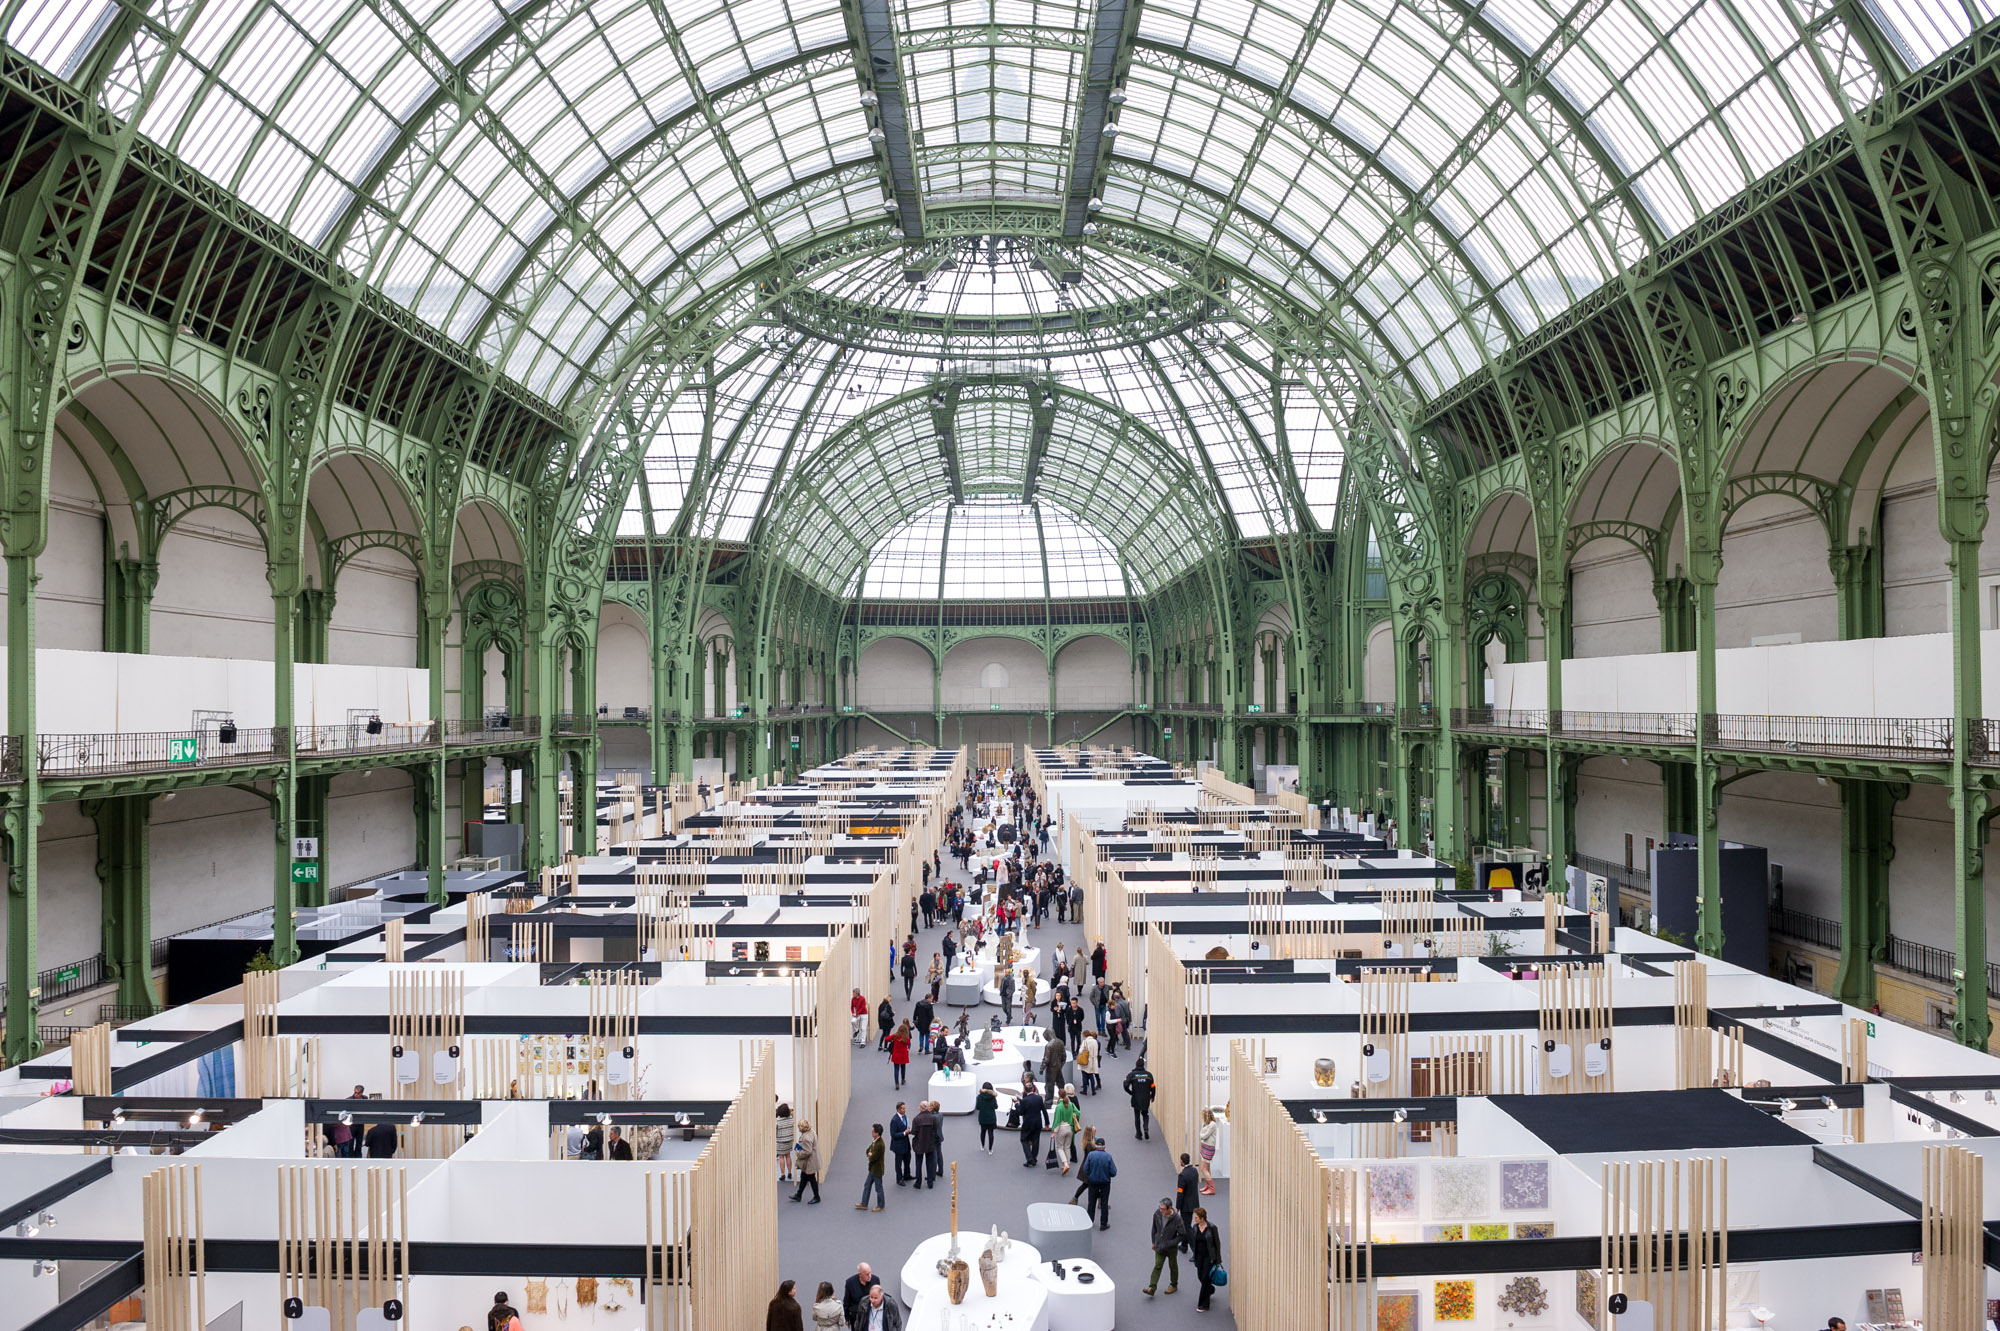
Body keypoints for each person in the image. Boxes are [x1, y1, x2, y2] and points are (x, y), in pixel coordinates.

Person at [1145, 1197, 1185, 1296]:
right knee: (1157, 1266)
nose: (1160, 1210)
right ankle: (1152, 1287)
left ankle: (1173, 1285)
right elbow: (1154, 1228)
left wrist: (1171, 1243)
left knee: (1173, 1266)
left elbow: (1182, 1235)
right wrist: (1153, 1242)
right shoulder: (1157, 1214)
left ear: (1169, 1208)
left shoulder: (1177, 1219)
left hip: (1171, 1248)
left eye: (1163, 1209)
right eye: (1160, 1208)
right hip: (1159, 1246)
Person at [1189, 1206, 1223, 1311]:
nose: (1195, 1219)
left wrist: (1217, 1260)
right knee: (1200, 1276)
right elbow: (1195, 1243)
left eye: (1196, 1217)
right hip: (1199, 1257)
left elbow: (1217, 1244)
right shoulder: (1195, 1227)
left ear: (1202, 1218)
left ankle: (1203, 1304)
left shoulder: (1212, 1228)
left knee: (1205, 1278)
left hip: (1209, 1257)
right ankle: (1210, 1289)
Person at [1079, 1137, 1117, 1230]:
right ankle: (1103, 1224)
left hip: (1093, 1182)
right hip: (1105, 1183)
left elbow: (1086, 1168)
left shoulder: (1091, 1155)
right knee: (1104, 1203)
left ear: (1096, 1146)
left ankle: (1089, 1221)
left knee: (1091, 1202)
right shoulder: (1108, 1157)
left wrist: (1091, 1174)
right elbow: (1113, 1172)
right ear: (1104, 1146)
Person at [911, 1100, 943, 1188]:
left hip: (919, 1145)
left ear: (921, 1108)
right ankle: (930, 1182)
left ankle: (918, 1183)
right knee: (930, 1164)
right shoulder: (933, 1118)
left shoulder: (916, 1119)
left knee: (918, 1164)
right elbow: (935, 1130)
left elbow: (914, 1132)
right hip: (930, 1144)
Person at [789, 1119, 821, 1203]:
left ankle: (817, 1197)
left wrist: (798, 1152)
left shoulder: (806, 1138)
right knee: (804, 1177)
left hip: (810, 1162)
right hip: (812, 1160)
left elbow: (808, 1151)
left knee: (811, 1179)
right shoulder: (811, 1131)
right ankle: (799, 1195)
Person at [1016, 1083, 1047, 1168]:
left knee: (1023, 1139)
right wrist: (1047, 1122)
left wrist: (1017, 1105)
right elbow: (1044, 1111)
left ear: (1025, 1090)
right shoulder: (1039, 1098)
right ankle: (1034, 1158)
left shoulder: (1024, 1100)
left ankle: (1029, 1158)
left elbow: (1020, 1112)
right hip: (1037, 1123)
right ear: (1033, 1089)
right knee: (1036, 1140)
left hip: (1028, 1124)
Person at [856, 1123, 886, 1212]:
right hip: (872, 1169)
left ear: (877, 1133)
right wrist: (869, 1153)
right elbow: (867, 1150)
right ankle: (864, 1203)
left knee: (878, 1188)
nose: (871, 1132)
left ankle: (881, 1205)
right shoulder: (875, 1141)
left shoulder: (880, 1145)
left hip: (877, 1170)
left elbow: (872, 1157)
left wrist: (870, 1154)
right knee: (867, 1185)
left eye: (873, 1131)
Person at [1124, 1058, 1157, 1139]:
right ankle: (1146, 1128)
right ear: (1143, 1065)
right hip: (1146, 1098)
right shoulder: (1149, 1075)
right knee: (1145, 1114)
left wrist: (1130, 1092)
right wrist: (1153, 1096)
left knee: (1137, 1116)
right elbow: (1153, 1086)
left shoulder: (1132, 1075)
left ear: (1136, 1065)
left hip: (1136, 1098)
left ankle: (1139, 1134)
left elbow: (1125, 1085)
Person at [1052, 1085, 1080, 1174]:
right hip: (1070, 1128)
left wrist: (1054, 1132)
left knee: (1059, 1147)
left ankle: (1065, 1164)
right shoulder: (1071, 1104)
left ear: (1059, 1095)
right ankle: (1067, 1163)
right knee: (1067, 1147)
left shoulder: (1059, 1107)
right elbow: (1078, 1113)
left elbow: (1057, 1121)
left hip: (1062, 1129)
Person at [1175, 1152, 1200, 1245]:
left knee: (1187, 1227)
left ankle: (1194, 1250)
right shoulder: (1194, 1171)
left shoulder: (1182, 1175)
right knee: (1186, 1224)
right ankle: (1184, 1246)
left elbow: (1180, 1192)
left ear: (1181, 1161)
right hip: (1194, 1203)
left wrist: (1178, 1206)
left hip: (1186, 1205)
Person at [889, 1102, 912, 1186]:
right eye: (903, 1108)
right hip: (898, 1146)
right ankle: (899, 1179)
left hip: (906, 1143)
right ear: (898, 1110)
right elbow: (893, 1135)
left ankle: (907, 1175)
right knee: (898, 1163)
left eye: (905, 1108)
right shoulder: (894, 1120)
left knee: (907, 1160)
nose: (905, 1110)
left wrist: (908, 1131)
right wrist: (903, 1133)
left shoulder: (905, 1116)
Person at [1197, 1108, 1219, 1193]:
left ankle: (1212, 1189)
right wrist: (1201, 1135)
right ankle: (1208, 1185)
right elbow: (1202, 1135)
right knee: (1207, 1167)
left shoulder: (1212, 1125)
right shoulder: (1206, 1123)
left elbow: (1204, 1136)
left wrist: (1201, 1135)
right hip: (1204, 1146)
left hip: (1209, 1148)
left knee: (1203, 1169)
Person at [975, 1082, 999, 1154]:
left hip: (983, 1117)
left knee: (983, 1132)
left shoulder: (979, 1097)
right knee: (991, 1133)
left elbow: (977, 1107)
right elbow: (996, 1107)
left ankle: (982, 1146)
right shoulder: (993, 1097)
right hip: (991, 1118)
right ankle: (990, 1149)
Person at [776, 1103, 796, 1182]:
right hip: (789, 1140)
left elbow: (775, 1131)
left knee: (781, 1157)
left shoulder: (778, 1121)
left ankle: (783, 1174)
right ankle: (790, 1173)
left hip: (781, 1141)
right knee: (788, 1156)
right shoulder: (791, 1119)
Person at [888, 1022, 911, 1088]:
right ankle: (903, 1079)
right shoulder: (906, 1038)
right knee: (903, 1067)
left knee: (896, 1069)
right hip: (903, 1055)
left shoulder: (895, 1036)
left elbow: (887, 1039)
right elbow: (908, 1043)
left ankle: (896, 1083)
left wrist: (892, 1040)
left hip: (896, 1055)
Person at [1078, 1031, 1101, 1095]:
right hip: (1093, 1060)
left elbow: (1080, 1051)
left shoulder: (1085, 1042)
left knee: (1084, 1076)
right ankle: (1093, 1091)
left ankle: (1085, 1090)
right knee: (1091, 1076)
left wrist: (1081, 1048)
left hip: (1086, 1060)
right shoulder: (1095, 1041)